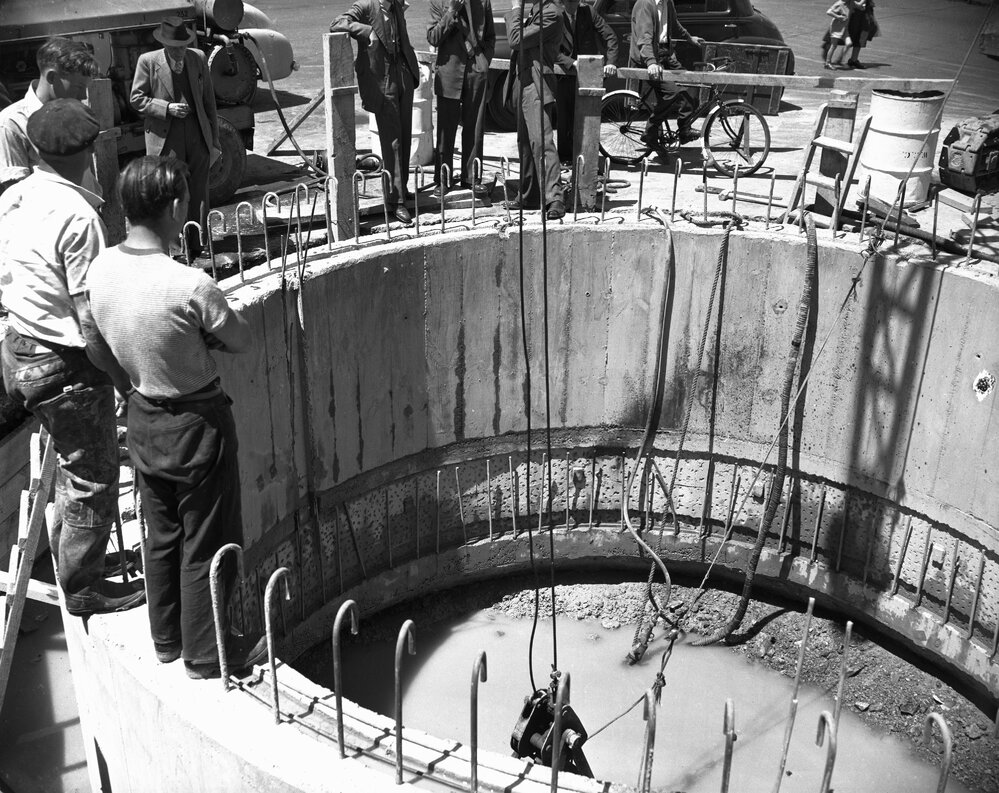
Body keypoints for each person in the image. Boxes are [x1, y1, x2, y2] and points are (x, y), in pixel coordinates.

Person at [87, 156, 265, 679]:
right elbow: (240, 339)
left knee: (162, 535)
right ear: (171, 207)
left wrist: (127, 384)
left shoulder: (101, 269)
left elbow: (94, 339)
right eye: (183, 200)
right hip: (195, 423)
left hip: (143, 415)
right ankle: (207, 654)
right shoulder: (188, 284)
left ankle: (167, 640)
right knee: (206, 540)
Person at [0, 99, 144, 617]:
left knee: (70, 467)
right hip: (61, 363)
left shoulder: (13, 196)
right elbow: (88, 316)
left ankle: (70, 565)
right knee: (93, 477)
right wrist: (122, 377)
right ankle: (83, 587)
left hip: (16, 351)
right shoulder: (80, 216)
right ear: (90, 150)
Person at [131, 16, 221, 258]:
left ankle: (200, 244)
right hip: (166, 137)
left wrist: (214, 140)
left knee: (200, 190)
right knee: (173, 191)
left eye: (183, 46)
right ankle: (177, 248)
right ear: (165, 46)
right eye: (175, 48)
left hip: (197, 133)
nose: (180, 52)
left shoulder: (198, 58)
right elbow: (136, 99)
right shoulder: (148, 62)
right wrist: (166, 108)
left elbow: (209, 103)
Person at [332, 0, 420, 224]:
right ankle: (396, 200)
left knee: (406, 136)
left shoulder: (397, 5)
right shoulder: (365, 6)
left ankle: (401, 188)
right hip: (382, 79)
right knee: (393, 141)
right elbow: (337, 23)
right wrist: (366, 31)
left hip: (402, 74)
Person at [0, 38, 98, 195]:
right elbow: (16, 196)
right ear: (52, 78)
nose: (83, 95)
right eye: (79, 87)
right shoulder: (11, 123)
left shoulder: (74, 113)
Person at [426, 0, 495, 198]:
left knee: (475, 126)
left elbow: (490, 37)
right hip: (449, 71)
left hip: (476, 70)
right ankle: (443, 178)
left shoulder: (483, 2)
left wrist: (484, 61)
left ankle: (472, 178)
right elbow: (433, 37)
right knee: (446, 129)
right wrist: (451, 11)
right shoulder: (438, 3)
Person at [506, 0, 566, 219]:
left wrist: (514, 10)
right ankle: (530, 195)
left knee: (541, 141)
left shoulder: (551, 13)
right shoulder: (537, 10)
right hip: (524, 81)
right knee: (525, 143)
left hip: (536, 84)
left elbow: (515, 40)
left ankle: (555, 197)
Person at [629, 0, 704, 147]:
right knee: (672, 92)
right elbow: (645, 38)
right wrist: (651, 62)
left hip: (665, 54)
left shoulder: (667, 2)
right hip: (647, 59)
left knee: (690, 85)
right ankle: (650, 131)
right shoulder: (645, 5)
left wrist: (689, 38)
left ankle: (684, 129)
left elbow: (674, 24)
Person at [555, 0, 618, 165]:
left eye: (576, 2)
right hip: (564, 75)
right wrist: (571, 62)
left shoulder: (588, 12)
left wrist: (611, 62)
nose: (574, 5)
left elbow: (610, 36)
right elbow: (551, 49)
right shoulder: (554, 14)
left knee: (588, 117)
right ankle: (565, 158)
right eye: (570, 2)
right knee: (564, 118)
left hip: (588, 75)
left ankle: (586, 156)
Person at [846, 0, 877, 69]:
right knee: (846, 35)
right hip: (852, 15)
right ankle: (832, 57)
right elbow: (858, 5)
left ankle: (854, 60)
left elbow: (860, 5)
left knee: (860, 37)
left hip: (863, 16)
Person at [824, 0, 851, 70]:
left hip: (844, 28)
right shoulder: (839, 3)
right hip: (836, 28)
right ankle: (827, 63)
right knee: (833, 46)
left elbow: (859, 6)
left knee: (849, 43)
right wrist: (838, 16)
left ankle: (840, 60)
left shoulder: (850, 3)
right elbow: (829, 12)